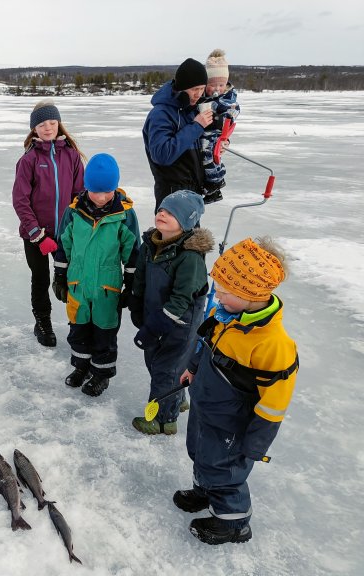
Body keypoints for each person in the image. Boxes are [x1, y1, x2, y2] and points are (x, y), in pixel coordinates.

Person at [175, 238, 299, 545]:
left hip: (233, 423)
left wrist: (255, 443)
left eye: (226, 291)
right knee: (201, 453)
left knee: (225, 470)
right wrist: (193, 366)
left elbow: (275, 403)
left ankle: (234, 523)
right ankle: (205, 491)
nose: (217, 294)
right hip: (207, 406)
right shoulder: (226, 315)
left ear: (252, 294)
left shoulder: (273, 344)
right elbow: (206, 344)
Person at [52, 153, 139, 396]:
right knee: (78, 330)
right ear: (86, 187)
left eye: (107, 191)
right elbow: (63, 246)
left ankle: (101, 374)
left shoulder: (124, 215)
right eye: (95, 191)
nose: (101, 198)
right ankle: (81, 367)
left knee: (104, 334)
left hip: (107, 290)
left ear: (115, 188)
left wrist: (130, 286)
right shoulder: (73, 212)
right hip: (78, 285)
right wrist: (59, 277)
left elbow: (132, 254)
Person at [130, 190, 213, 435]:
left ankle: (163, 420)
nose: (162, 214)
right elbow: (140, 278)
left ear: (186, 221)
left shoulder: (189, 257)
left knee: (165, 370)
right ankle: (178, 397)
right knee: (160, 364)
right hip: (156, 317)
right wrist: (136, 303)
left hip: (179, 325)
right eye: (161, 210)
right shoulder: (151, 244)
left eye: (171, 212)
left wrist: (155, 326)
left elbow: (181, 299)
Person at [12, 99, 85, 348]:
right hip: (36, 235)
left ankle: (79, 323)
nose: (48, 127)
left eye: (52, 122)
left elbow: (79, 196)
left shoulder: (72, 156)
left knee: (71, 277)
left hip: (65, 233)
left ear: (59, 124)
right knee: (41, 278)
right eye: (42, 124)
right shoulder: (29, 160)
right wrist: (37, 235)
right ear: (34, 128)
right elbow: (20, 201)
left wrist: (75, 228)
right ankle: (42, 322)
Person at [143, 58, 214, 211]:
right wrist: (196, 126)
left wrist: (217, 146)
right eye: (195, 89)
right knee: (172, 236)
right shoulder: (161, 114)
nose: (198, 94)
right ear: (182, 87)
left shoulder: (191, 110)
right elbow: (162, 155)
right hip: (171, 194)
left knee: (195, 236)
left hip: (193, 192)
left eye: (202, 89)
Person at [198, 49, 240, 204]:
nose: (216, 89)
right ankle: (213, 184)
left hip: (215, 134)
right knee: (205, 157)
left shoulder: (227, 98)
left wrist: (225, 138)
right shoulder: (201, 97)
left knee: (208, 155)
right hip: (204, 132)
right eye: (212, 85)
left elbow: (232, 112)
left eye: (221, 85)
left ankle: (215, 182)